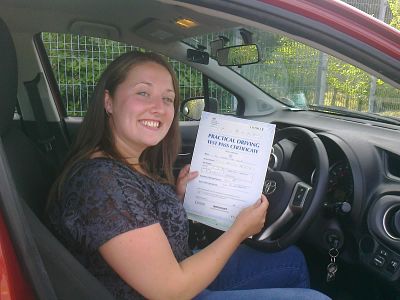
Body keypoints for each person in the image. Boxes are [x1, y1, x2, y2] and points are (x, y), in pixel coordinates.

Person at [47, 51, 330, 300]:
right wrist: (238, 231)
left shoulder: (125, 163)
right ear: (109, 102)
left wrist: (179, 197)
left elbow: (137, 218)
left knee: (290, 260)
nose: (158, 107)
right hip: (172, 289)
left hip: (177, 267)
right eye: (143, 93)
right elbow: (171, 290)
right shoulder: (104, 183)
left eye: (167, 98)